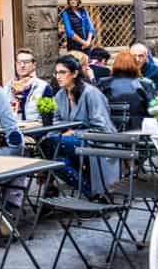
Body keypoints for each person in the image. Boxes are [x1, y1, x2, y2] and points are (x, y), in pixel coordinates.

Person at [42, 55, 117, 197]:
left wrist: (74, 133)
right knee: (56, 160)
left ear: (75, 73)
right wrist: (53, 134)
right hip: (72, 143)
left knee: (49, 145)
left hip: (98, 142)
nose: (58, 76)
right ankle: (90, 194)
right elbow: (57, 124)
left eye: (62, 72)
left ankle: (87, 194)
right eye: (56, 73)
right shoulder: (59, 95)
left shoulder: (91, 93)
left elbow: (104, 129)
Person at [97, 51, 156, 129]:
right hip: (138, 130)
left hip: (109, 130)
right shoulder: (145, 85)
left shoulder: (104, 83)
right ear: (135, 65)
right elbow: (152, 111)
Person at [3, 48, 53, 122]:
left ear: (34, 64)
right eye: (19, 62)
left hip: (34, 131)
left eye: (26, 62)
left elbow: (49, 117)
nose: (22, 65)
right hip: (13, 130)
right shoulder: (7, 87)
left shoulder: (43, 87)